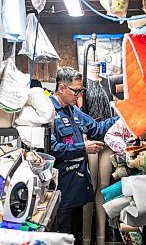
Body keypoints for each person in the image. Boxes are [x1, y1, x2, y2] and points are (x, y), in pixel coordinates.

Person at [50, 67, 118, 244]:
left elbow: (97, 129)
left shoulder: (73, 112)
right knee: (62, 238)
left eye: (81, 91)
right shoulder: (48, 112)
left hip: (78, 190)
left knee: (77, 238)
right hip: (61, 191)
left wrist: (122, 116)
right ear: (62, 88)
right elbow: (53, 149)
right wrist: (83, 148)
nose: (78, 95)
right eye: (75, 91)